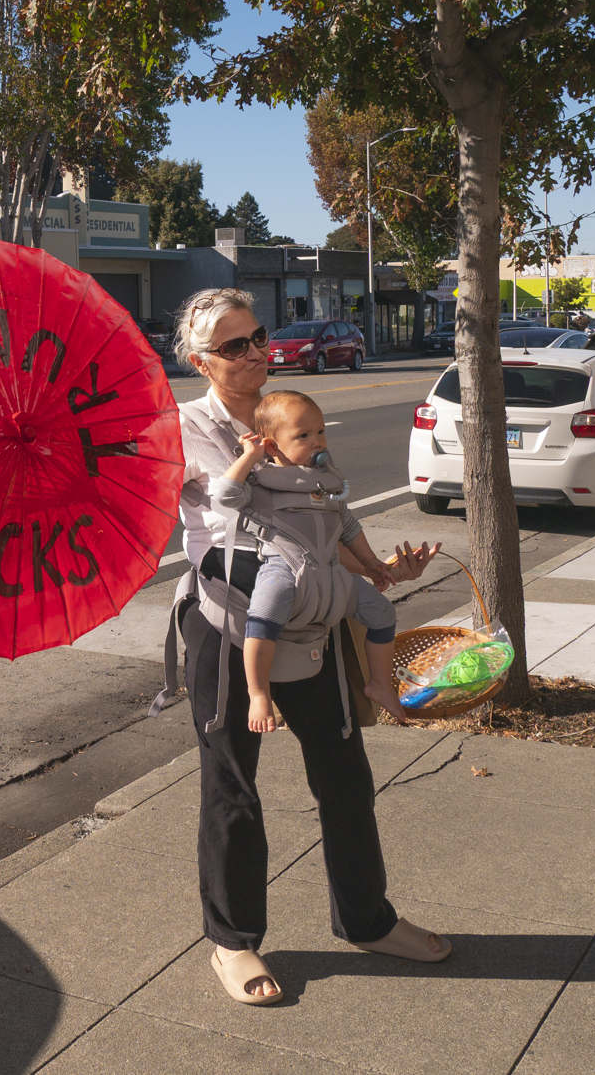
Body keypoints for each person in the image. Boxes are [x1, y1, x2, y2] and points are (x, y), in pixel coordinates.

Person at [169, 287, 449, 1009]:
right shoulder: (187, 426)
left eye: (259, 335)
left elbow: (327, 510)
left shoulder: (288, 409)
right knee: (233, 788)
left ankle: (368, 919)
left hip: (313, 614)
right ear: (201, 360)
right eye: (235, 345)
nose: (257, 351)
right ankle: (233, 942)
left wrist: (381, 571)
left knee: (346, 775)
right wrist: (257, 461)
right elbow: (234, 508)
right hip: (229, 619)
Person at [210, 389, 409, 733]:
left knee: (382, 613)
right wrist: (248, 456)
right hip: (285, 570)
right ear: (272, 446)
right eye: (303, 435)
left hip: (331, 575)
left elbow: (347, 526)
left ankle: (380, 683)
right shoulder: (262, 483)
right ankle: (258, 692)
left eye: (320, 431)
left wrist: (371, 562)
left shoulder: (325, 484)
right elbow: (225, 495)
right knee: (262, 618)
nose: (317, 441)